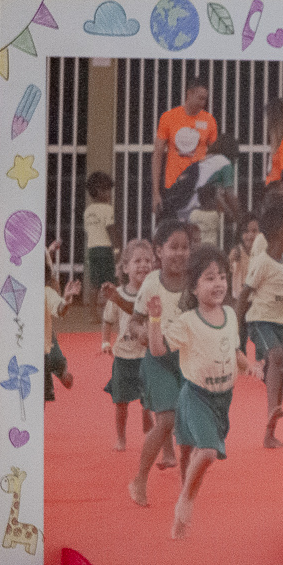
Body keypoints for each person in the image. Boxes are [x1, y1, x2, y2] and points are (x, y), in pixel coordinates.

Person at [151, 245, 254, 539]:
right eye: (209, 278)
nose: (218, 283)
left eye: (222, 276)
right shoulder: (188, 322)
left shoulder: (230, 315)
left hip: (223, 399)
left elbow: (234, 350)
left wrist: (251, 367)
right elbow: (158, 350)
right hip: (196, 396)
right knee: (206, 451)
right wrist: (155, 320)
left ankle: (180, 521)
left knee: (190, 455)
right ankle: (185, 503)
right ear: (194, 287)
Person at [128, 220, 191, 506]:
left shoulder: (194, 281)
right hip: (157, 360)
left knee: (188, 425)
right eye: (173, 247)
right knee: (166, 420)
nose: (180, 253)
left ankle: (186, 488)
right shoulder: (152, 282)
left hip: (188, 360)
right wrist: (142, 333)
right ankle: (139, 479)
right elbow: (135, 321)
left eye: (185, 247)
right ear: (159, 251)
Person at [237, 199, 283, 448]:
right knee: (274, 354)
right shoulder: (262, 261)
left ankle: (270, 434)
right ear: (279, 233)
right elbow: (244, 295)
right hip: (259, 322)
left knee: (280, 374)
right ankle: (272, 407)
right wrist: (235, 328)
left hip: (278, 325)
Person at [100, 239, 156, 451]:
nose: (143, 265)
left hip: (147, 356)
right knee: (121, 402)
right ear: (125, 267)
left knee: (148, 399)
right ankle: (121, 437)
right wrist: (106, 341)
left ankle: (148, 428)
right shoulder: (118, 294)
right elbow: (108, 320)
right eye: (137, 261)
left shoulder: (153, 293)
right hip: (123, 357)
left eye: (148, 261)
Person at [153, 77, 218, 218]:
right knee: (171, 227)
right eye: (200, 98)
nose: (203, 103)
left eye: (205, 99)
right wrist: (155, 192)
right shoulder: (169, 117)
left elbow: (215, 156)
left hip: (198, 188)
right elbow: (157, 155)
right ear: (189, 93)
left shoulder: (209, 121)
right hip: (174, 185)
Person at [43, 258, 81, 402]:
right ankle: (61, 371)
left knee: (40, 398)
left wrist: (65, 300)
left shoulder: (45, 292)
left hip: (41, 352)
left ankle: (62, 371)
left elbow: (60, 309)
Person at [84, 171, 121, 302]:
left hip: (92, 250)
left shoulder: (88, 211)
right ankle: (111, 309)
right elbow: (111, 230)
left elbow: (89, 231)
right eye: (107, 191)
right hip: (105, 250)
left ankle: (92, 312)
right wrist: (117, 250)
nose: (110, 194)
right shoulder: (107, 209)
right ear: (99, 191)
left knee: (94, 283)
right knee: (110, 282)